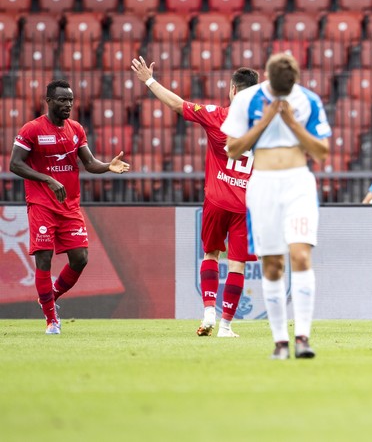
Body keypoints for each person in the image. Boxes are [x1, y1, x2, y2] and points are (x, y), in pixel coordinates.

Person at [131, 57, 260, 338]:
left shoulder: (217, 116)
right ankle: (226, 326)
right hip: (245, 206)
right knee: (238, 264)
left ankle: (208, 312)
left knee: (211, 253)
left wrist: (149, 80)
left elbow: (177, 104)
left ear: (234, 91)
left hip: (216, 200)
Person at [221, 53, 331, 359]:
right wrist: (267, 120)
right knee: (272, 263)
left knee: (300, 255)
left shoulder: (307, 99)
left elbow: (321, 151)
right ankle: (280, 341)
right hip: (263, 184)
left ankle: (303, 338)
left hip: (298, 183)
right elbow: (232, 148)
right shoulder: (247, 101)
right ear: (268, 80)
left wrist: (292, 123)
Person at [9, 79, 130, 334]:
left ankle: (51, 295)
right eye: (63, 100)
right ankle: (52, 320)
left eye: (71, 100)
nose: (68, 104)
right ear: (49, 101)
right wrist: (47, 179)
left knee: (80, 258)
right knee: (44, 259)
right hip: (41, 204)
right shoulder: (32, 129)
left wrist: (108, 166)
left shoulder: (76, 129)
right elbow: (15, 164)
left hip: (69, 206)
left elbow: (89, 163)